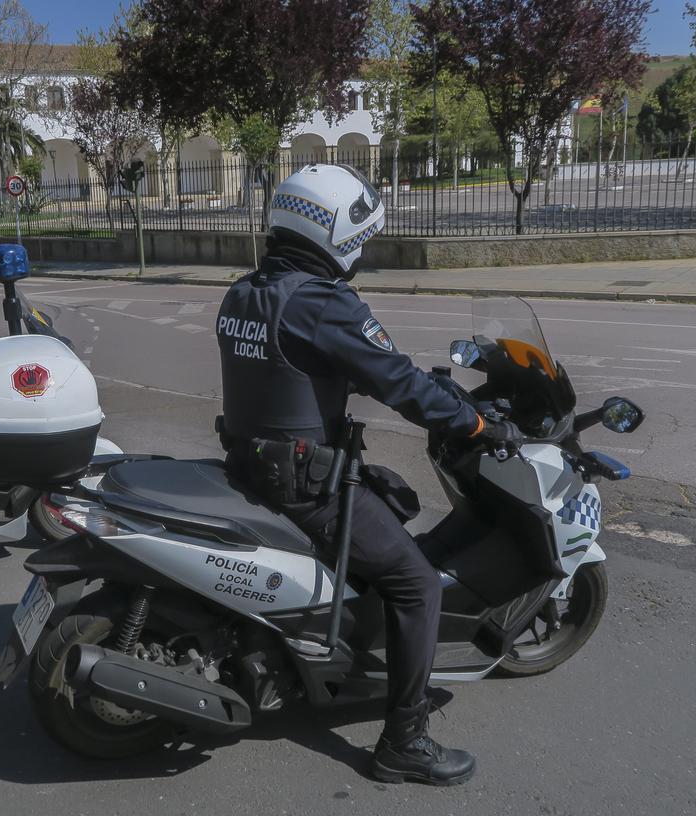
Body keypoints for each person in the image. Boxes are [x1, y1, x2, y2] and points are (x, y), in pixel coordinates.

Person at [216, 164, 521, 786]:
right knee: (417, 584)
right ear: (336, 232)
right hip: (307, 489)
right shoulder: (322, 301)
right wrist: (479, 426)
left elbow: (298, 369)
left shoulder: (245, 292)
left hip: (251, 467)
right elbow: (398, 382)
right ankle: (404, 743)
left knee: (389, 502)